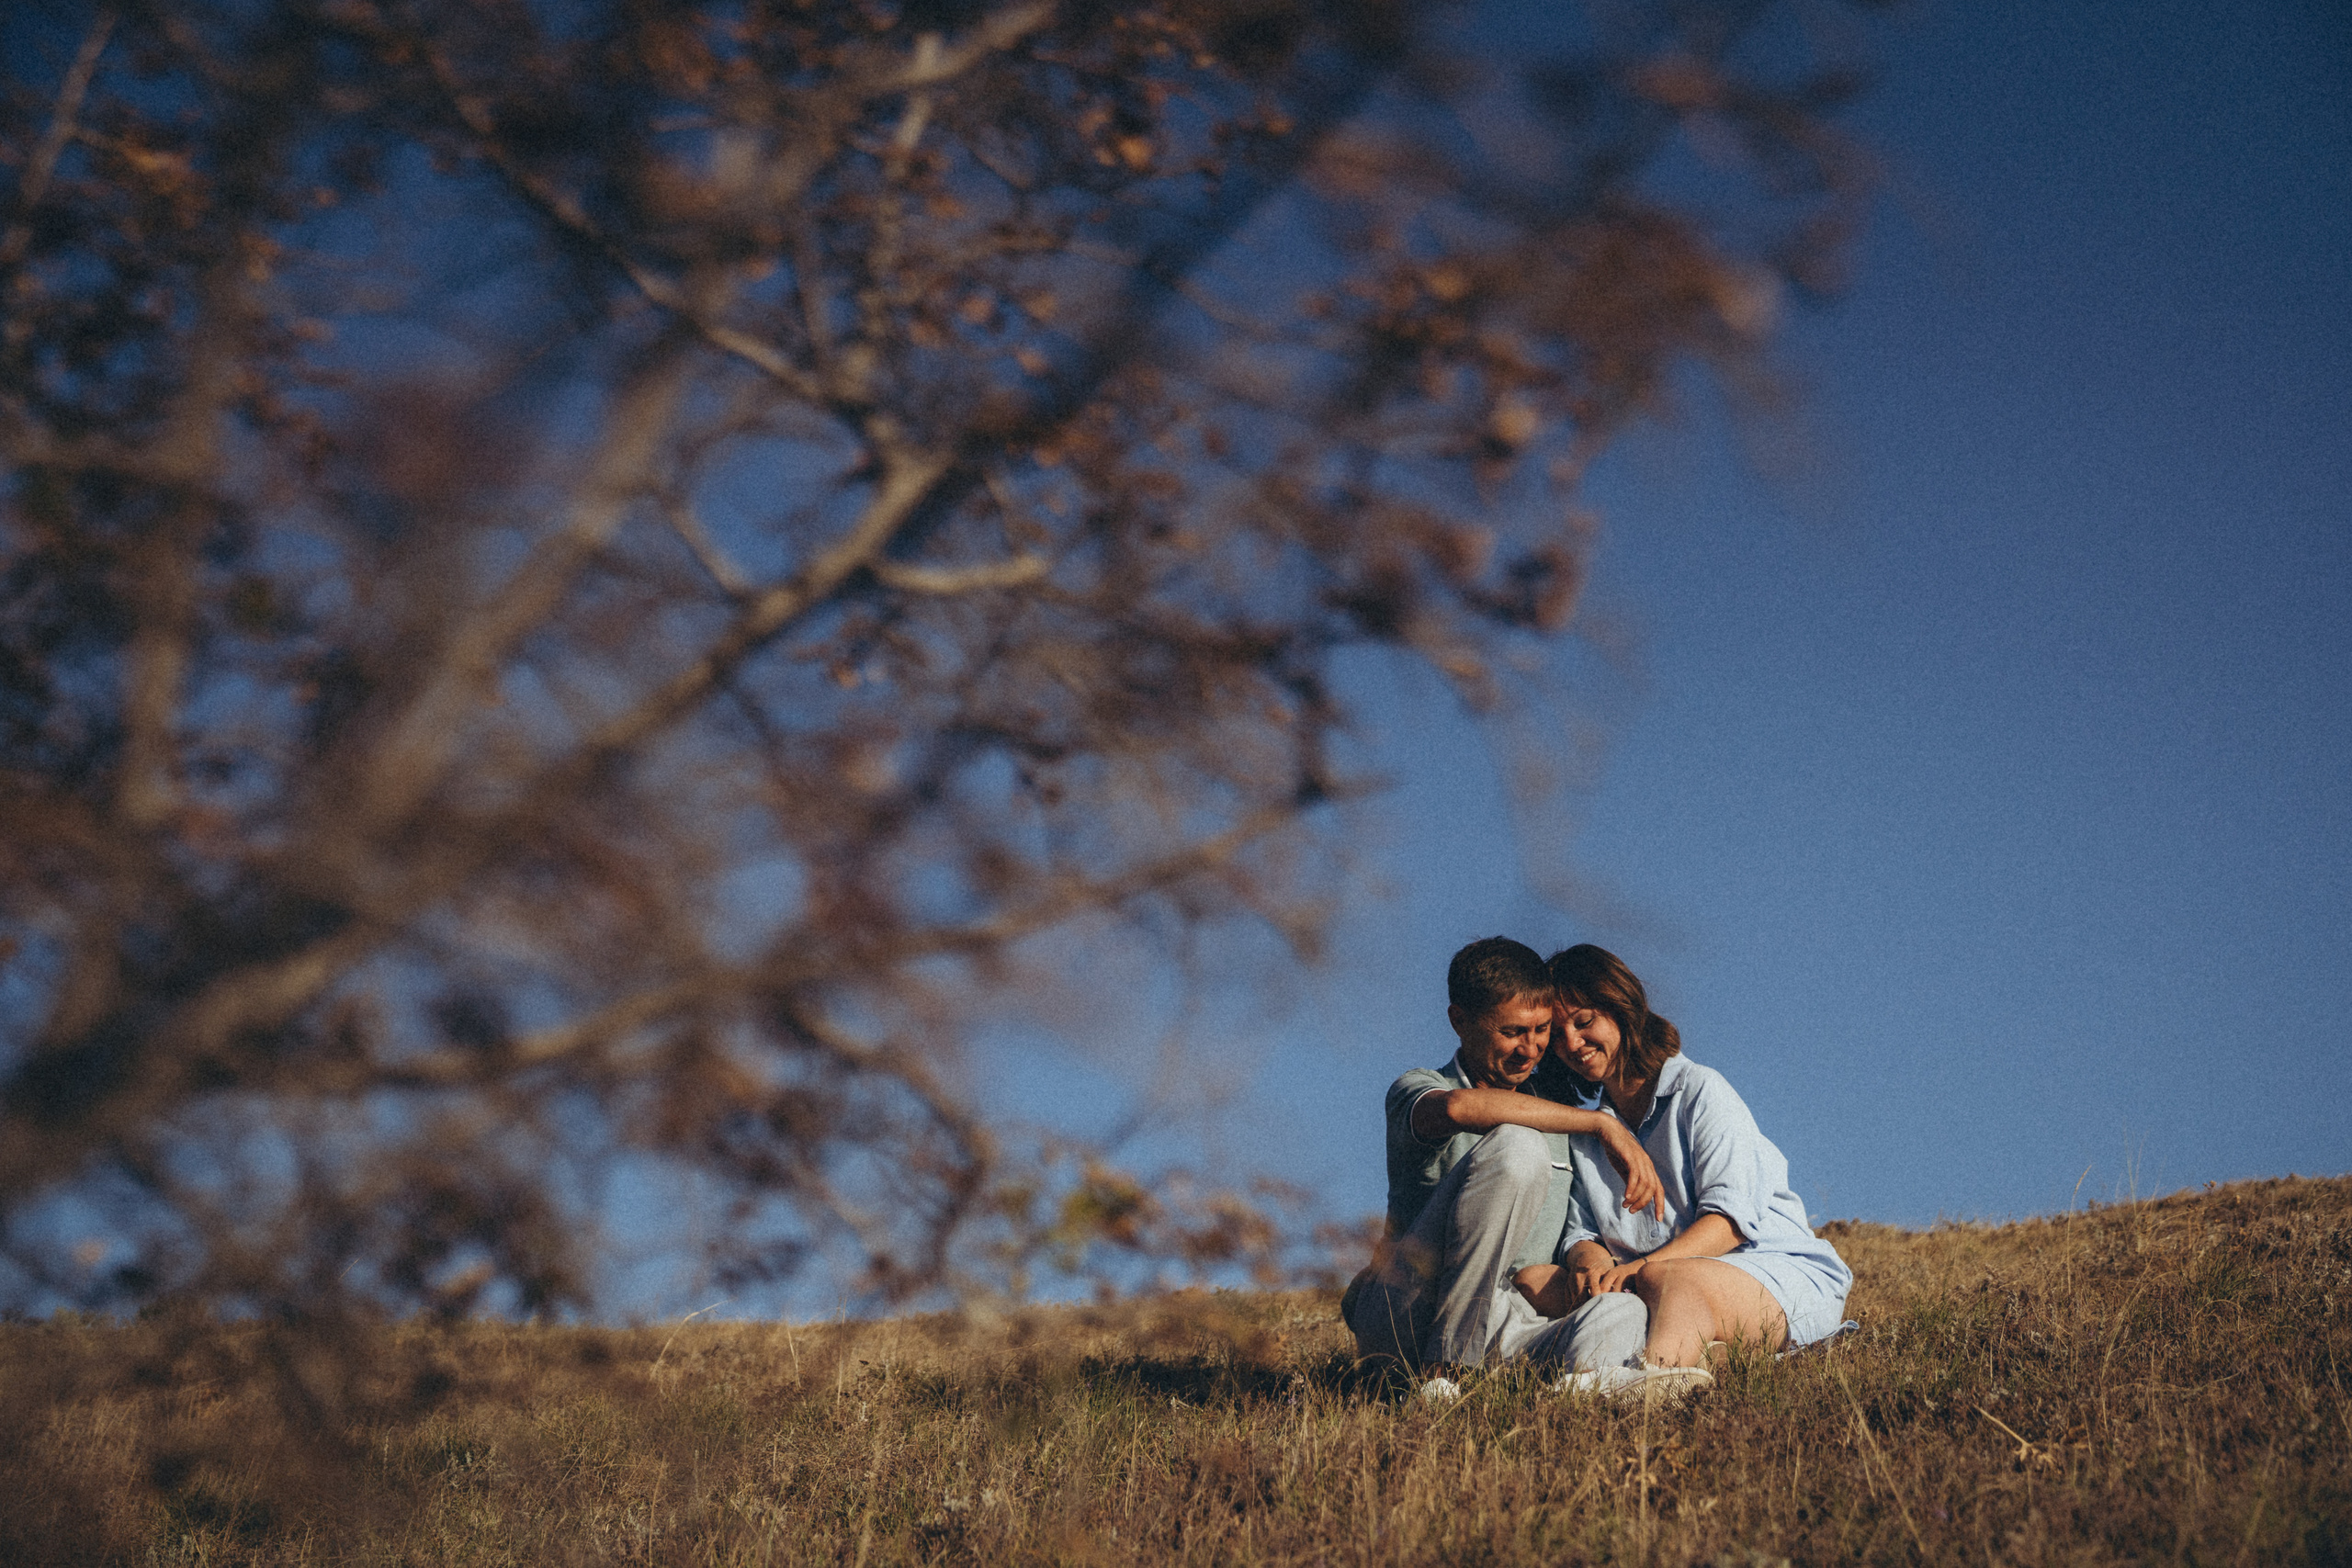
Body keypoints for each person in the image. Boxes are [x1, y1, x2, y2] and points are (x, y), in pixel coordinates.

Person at [1512, 943, 1853, 1400]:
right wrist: (1589, 1261)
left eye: (1584, 1021)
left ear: (1620, 1008)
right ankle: (1695, 1351)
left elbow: (1729, 1223)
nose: (1572, 1043)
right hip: (1652, 1283)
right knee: (1534, 1279)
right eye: (1558, 1034)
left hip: (1770, 1274)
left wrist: (1638, 1269)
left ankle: (1649, 1381)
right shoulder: (1592, 1135)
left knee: (1666, 1279)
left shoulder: (1699, 1091)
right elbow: (1581, 1232)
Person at [1343, 936, 1668, 1393]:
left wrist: (1586, 1261)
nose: (1530, 1050)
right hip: (1411, 1313)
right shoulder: (1418, 1088)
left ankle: (1580, 1389)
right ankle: (1443, 1375)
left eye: (1541, 1030)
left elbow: (1575, 1230)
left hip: (1508, 1318)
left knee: (1624, 1310)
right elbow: (1459, 1107)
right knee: (1519, 1146)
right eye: (1512, 1032)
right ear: (1460, 1021)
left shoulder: (1558, 1116)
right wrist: (1601, 1123)